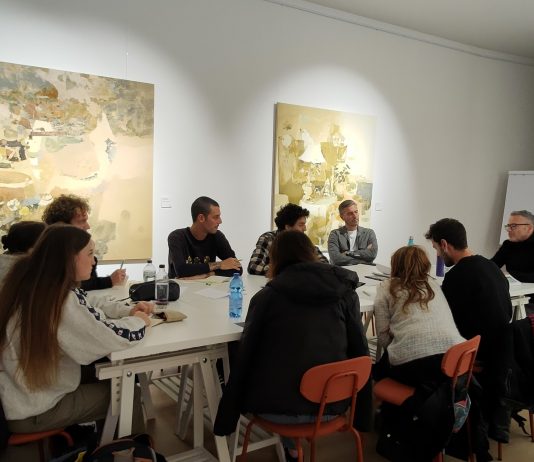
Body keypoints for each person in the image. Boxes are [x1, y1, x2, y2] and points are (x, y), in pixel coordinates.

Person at [213, 231, 371, 461]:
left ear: (275, 259)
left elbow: (245, 358)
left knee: (253, 357)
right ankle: (293, 448)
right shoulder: (345, 294)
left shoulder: (266, 298)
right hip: (331, 404)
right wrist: (363, 416)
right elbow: (361, 351)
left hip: (275, 408)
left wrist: (226, 419)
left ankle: (293, 449)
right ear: (311, 253)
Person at [0, 224, 153, 434]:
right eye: (89, 254)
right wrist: (139, 321)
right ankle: (130, 449)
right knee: (128, 393)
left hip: (17, 392)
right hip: (33, 408)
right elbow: (107, 338)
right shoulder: (59, 300)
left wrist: (126, 311)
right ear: (69, 258)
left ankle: (107, 442)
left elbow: (86, 306)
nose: (94, 261)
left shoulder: (35, 284)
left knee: (108, 374)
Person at [425, 218, 513, 458]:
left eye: (436, 248)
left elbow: (444, 324)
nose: (438, 255)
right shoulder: (492, 267)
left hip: (476, 356)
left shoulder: (457, 276)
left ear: (445, 244)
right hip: (501, 356)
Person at [374, 245, 464, 386]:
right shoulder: (433, 284)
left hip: (415, 364)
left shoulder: (386, 286)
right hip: (455, 360)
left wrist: (397, 348)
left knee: (377, 370)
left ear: (395, 265)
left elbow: (382, 335)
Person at [42, 194, 126, 290]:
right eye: (81, 221)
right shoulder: (50, 259)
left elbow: (88, 282)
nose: (88, 226)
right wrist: (109, 281)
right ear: (63, 225)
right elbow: (80, 285)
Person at [168, 196, 241, 278]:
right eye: (216, 217)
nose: (220, 221)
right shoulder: (177, 237)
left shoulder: (217, 236)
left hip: (206, 286)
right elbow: (181, 270)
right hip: (179, 286)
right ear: (201, 218)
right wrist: (219, 264)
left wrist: (208, 274)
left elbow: (238, 269)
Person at [247, 203, 329, 275]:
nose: (305, 228)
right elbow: (254, 267)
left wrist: (282, 268)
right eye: (301, 225)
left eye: (304, 224)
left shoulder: (303, 240)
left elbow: (325, 264)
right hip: (275, 285)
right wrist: (295, 267)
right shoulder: (268, 238)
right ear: (288, 227)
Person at [328, 199, 377, 266]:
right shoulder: (335, 234)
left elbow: (372, 255)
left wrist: (348, 253)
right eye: (350, 213)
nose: (355, 216)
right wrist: (363, 260)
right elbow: (336, 259)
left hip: (364, 270)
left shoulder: (369, 233)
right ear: (342, 217)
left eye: (356, 212)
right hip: (342, 271)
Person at [491, 210, 534, 282]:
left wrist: (508, 276)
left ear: (529, 228)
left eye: (513, 226)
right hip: (514, 287)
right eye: (508, 226)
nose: (509, 230)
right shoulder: (508, 244)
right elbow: (492, 266)